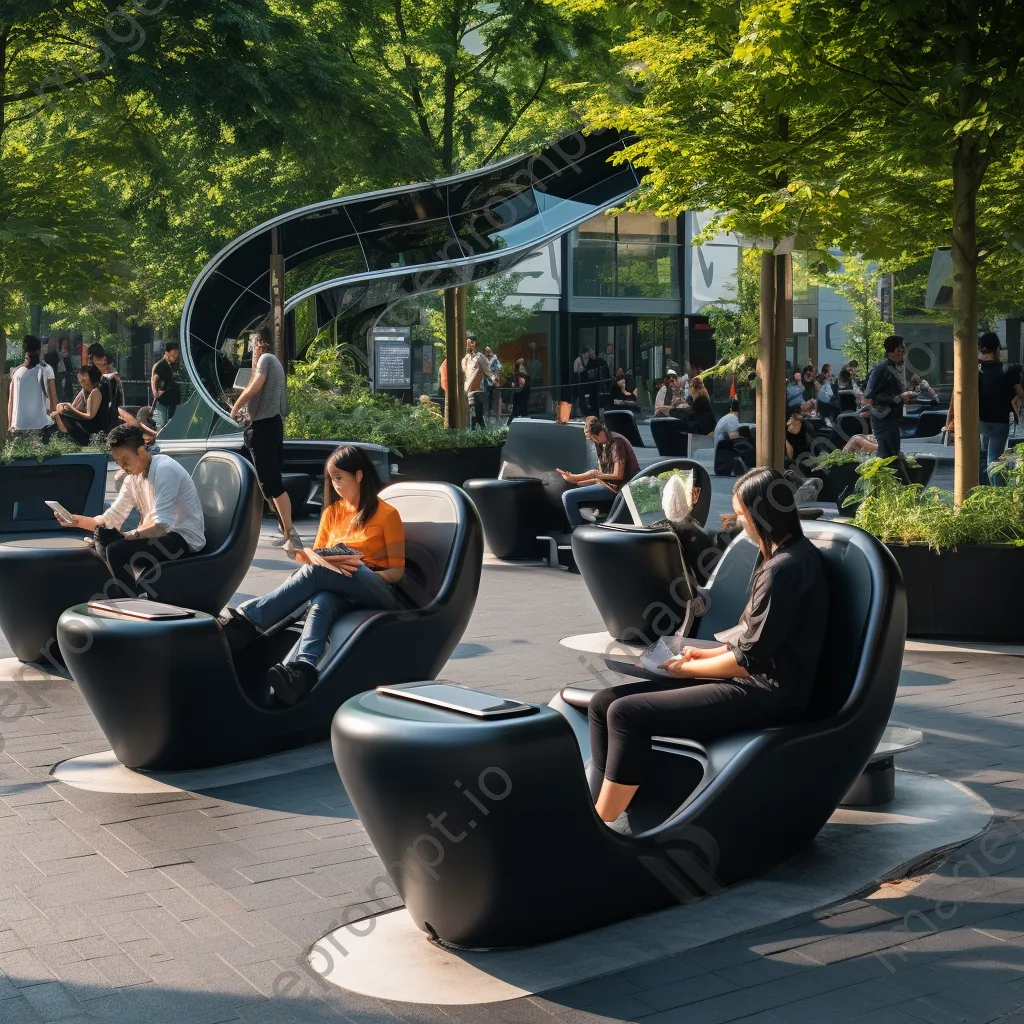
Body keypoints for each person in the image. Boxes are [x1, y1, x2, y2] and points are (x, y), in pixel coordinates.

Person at [587, 466, 829, 827]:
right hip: (755, 680)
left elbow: (749, 660)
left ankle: (601, 823)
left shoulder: (785, 569)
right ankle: (596, 805)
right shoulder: (781, 556)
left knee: (626, 715)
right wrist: (704, 654)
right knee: (602, 702)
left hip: (769, 694)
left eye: (742, 514)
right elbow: (754, 637)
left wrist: (687, 669)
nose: (736, 522)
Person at [223, 445, 405, 705]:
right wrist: (325, 562)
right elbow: (318, 556)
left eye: (340, 477)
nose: (335, 484)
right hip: (335, 588)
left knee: (318, 572)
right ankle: (302, 672)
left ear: (360, 475)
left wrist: (355, 570)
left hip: (376, 588)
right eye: (332, 478)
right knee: (321, 602)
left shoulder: (387, 514)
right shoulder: (332, 513)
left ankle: (249, 619)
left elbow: (397, 572)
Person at [57, 424, 205, 596]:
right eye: (119, 462)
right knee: (102, 539)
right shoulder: (132, 479)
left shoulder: (165, 469)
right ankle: (116, 596)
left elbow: (162, 524)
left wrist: (128, 536)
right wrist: (74, 520)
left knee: (116, 549)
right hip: (161, 534)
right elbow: (111, 518)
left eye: (125, 460)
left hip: (183, 538)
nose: (123, 467)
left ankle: (129, 601)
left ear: (141, 451)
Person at [231, 329, 298, 551]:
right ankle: (285, 528)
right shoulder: (271, 362)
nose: (251, 350)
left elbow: (254, 386)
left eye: (252, 344)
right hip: (268, 425)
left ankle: (290, 532)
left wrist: (236, 406)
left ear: (260, 343)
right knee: (267, 484)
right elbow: (255, 381)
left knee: (271, 483)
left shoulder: (267, 360)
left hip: (263, 428)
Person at [557, 415, 640, 528]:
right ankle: (588, 523)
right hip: (606, 484)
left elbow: (618, 475)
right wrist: (576, 478)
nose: (593, 441)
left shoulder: (616, 443)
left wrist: (590, 476)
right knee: (572, 487)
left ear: (597, 435)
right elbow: (601, 473)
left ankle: (577, 529)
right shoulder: (600, 444)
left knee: (568, 496)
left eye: (592, 438)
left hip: (618, 488)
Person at [977, 332, 1024, 485]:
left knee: (984, 455)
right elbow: (1020, 392)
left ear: (980, 349)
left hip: (980, 419)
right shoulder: (1008, 370)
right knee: (995, 458)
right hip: (1000, 421)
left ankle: (982, 488)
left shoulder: (975, 371)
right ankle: (997, 492)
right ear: (998, 348)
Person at [864, 336, 915, 460]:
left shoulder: (892, 368)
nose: (904, 353)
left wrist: (903, 397)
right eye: (902, 349)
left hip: (890, 418)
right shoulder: (881, 369)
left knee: (891, 456)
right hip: (883, 420)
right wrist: (899, 397)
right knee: (888, 457)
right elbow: (871, 395)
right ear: (896, 351)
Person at [7, 335, 58, 438]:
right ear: (38, 351)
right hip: (40, 425)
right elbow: (53, 399)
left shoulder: (16, 372)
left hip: (17, 426)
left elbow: (10, 402)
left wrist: (10, 425)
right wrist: (57, 421)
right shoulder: (46, 369)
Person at [54, 365, 109, 445]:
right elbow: (72, 407)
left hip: (92, 428)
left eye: (83, 374)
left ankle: (69, 437)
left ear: (91, 377)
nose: (79, 377)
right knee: (59, 416)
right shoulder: (83, 392)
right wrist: (62, 406)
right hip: (83, 424)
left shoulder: (95, 392)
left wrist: (71, 409)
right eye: (79, 374)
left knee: (65, 418)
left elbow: (90, 416)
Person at [87, 344, 123, 431]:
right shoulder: (92, 369)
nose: (101, 362)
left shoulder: (107, 366)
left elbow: (117, 379)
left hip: (108, 396)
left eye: (102, 359)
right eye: (98, 359)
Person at [713, 399, 755, 476]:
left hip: (722, 464)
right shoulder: (732, 419)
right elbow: (734, 436)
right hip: (725, 465)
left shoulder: (727, 419)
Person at [461, 334, 493, 431]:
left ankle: (478, 436)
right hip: (467, 392)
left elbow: (489, 373)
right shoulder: (466, 358)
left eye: (468, 343)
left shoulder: (480, 357)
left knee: (474, 417)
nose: (466, 345)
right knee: (476, 418)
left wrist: (495, 381)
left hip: (476, 393)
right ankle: (481, 435)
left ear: (473, 343)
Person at [151, 341, 182, 429]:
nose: (176, 355)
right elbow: (155, 379)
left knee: (168, 423)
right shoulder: (162, 365)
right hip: (163, 400)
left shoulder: (170, 365)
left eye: (177, 352)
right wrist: (156, 392)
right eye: (175, 352)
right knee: (161, 423)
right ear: (167, 353)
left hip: (171, 399)